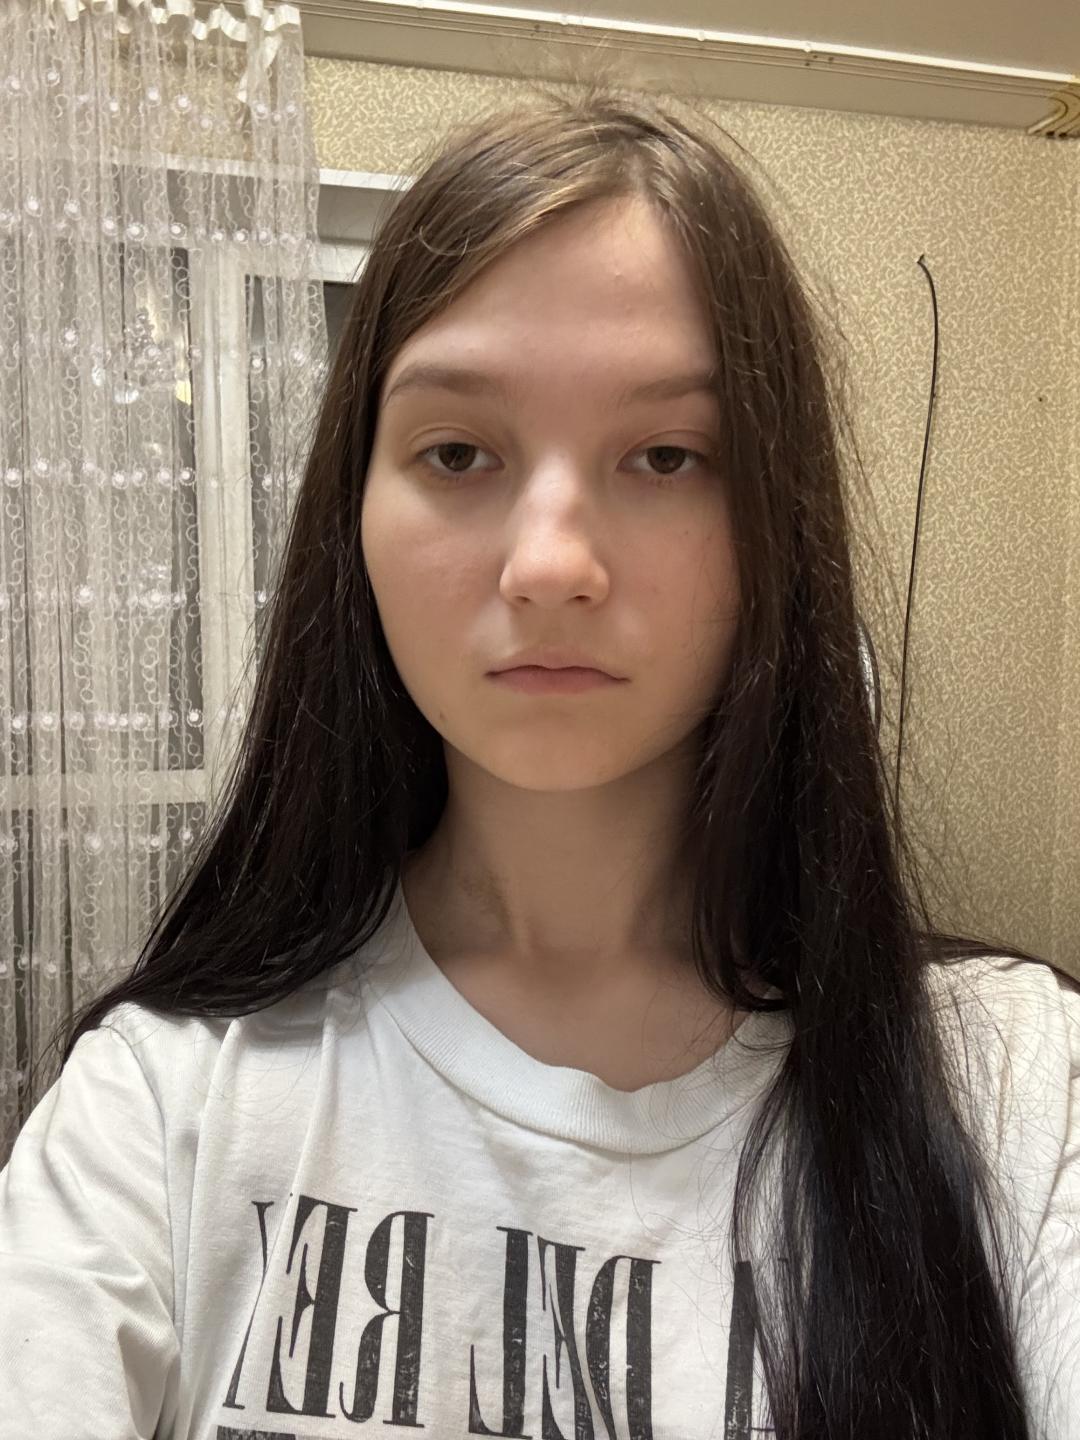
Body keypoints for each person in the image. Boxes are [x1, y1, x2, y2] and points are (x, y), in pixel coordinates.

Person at [0, 88, 1077, 1440]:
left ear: (775, 530)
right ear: (353, 517)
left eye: (666, 456)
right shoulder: (164, 1102)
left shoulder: (1013, 1087)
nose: (552, 562)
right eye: (457, 452)